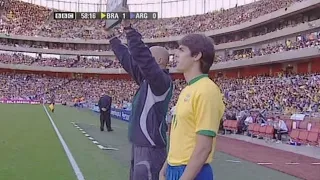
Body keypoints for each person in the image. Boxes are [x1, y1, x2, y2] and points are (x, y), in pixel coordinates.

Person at [107, 22, 173, 180]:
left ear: (157, 61)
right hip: (141, 144)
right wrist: (112, 37)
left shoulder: (161, 82)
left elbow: (142, 58)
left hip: (151, 147)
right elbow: (127, 60)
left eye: (149, 57)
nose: (141, 63)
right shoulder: (147, 81)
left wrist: (129, 30)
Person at [159, 34, 225, 180]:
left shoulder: (207, 90)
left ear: (196, 56)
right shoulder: (188, 89)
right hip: (174, 168)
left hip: (192, 172)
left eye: (181, 50)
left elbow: (203, 148)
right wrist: (165, 168)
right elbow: (181, 137)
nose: (175, 54)